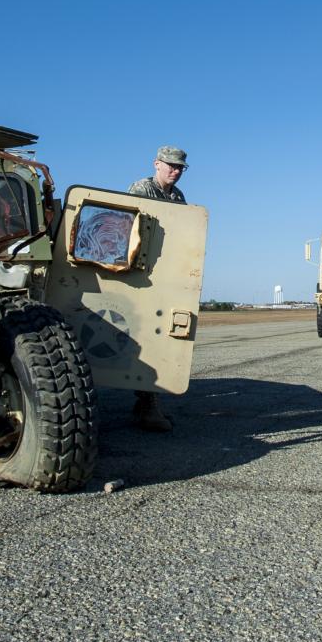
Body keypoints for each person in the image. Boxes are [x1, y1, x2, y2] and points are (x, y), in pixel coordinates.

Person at [124, 145, 189, 431]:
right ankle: (147, 404)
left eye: (180, 168)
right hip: (140, 270)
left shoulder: (176, 197)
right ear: (157, 164)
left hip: (165, 272)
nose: (175, 171)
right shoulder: (142, 189)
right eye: (171, 165)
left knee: (162, 335)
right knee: (148, 334)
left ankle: (146, 404)